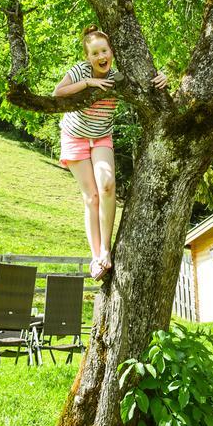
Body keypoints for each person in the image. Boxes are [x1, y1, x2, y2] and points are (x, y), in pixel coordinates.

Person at [54, 25, 167, 281]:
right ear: (88, 57)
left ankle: (107, 248)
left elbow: (147, 80)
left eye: (104, 51)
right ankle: (96, 258)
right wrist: (89, 83)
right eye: (95, 53)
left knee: (107, 186)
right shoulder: (80, 71)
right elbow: (57, 93)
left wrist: (162, 77)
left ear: (111, 52)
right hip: (75, 136)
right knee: (91, 197)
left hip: (101, 135)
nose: (100, 56)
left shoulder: (118, 76)